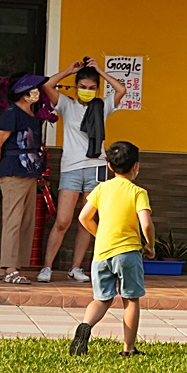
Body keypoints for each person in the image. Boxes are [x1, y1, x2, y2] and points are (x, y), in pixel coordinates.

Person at [39, 57, 129, 283]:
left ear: (97, 89)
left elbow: (121, 89)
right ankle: (47, 267)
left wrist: (99, 70)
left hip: (97, 167)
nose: (87, 91)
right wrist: (69, 71)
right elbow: (47, 86)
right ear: (76, 87)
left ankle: (76, 268)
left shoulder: (102, 106)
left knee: (87, 220)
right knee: (63, 221)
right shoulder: (66, 105)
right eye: (83, 87)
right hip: (71, 168)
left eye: (91, 88)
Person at [69, 141, 156, 357]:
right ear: (137, 166)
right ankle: (128, 348)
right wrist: (150, 245)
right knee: (131, 299)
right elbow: (146, 223)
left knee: (101, 298)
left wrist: (100, 235)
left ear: (109, 166)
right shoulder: (138, 192)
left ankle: (85, 326)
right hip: (128, 253)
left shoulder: (101, 189)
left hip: (101, 254)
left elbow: (83, 217)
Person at [0, 73, 49, 285]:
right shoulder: (10, 114)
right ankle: (11, 268)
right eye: (32, 89)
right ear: (22, 93)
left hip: (29, 172)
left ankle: (7, 267)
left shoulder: (31, 115)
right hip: (13, 171)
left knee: (25, 221)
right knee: (13, 220)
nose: (37, 92)